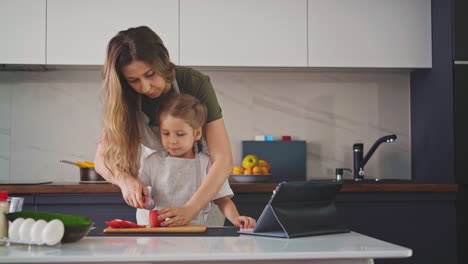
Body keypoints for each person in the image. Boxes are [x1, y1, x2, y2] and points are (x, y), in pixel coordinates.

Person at [94, 26, 234, 227]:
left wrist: (190, 210)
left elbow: (223, 159)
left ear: (162, 62)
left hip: (200, 211)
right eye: (134, 80)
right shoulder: (125, 97)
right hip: (155, 215)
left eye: (150, 74)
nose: (145, 87)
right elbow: (101, 160)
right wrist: (124, 180)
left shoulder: (194, 83)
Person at [136, 94, 255, 228]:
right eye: (166, 133)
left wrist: (236, 218)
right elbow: (139, 189)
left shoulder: (208, 164)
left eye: (180, 134)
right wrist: (140, 197)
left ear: (197, 134)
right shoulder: (151, 162)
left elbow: (223, 200)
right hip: (157, 237)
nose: (172, 140)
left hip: (195, 236)